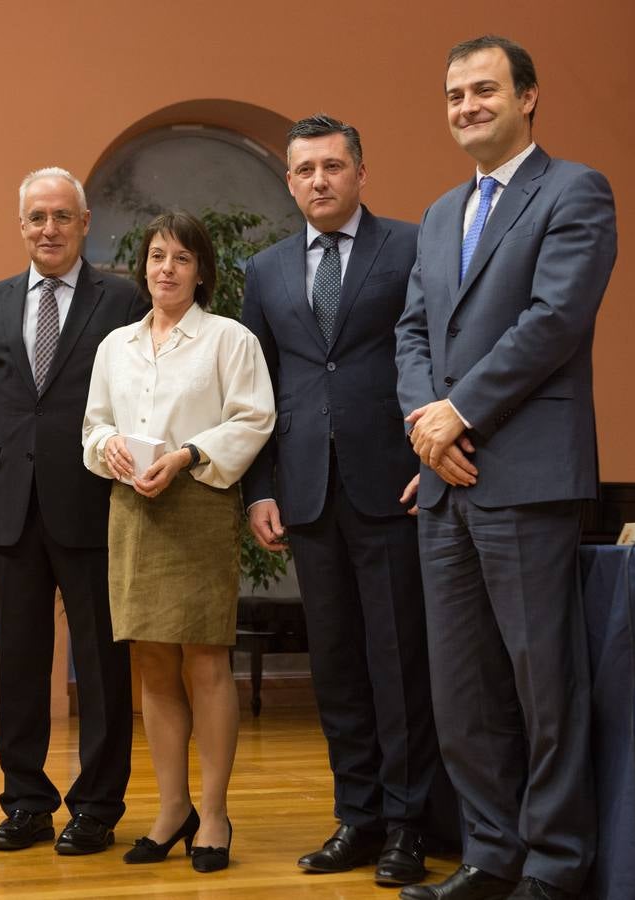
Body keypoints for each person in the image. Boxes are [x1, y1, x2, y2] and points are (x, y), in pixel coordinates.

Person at [396, 36, 617, 900]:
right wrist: (427, 425)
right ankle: (491, 856)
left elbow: (553, 318)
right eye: (453, 95)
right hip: (444, 482)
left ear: (528, 97)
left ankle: (557, 868)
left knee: (542, 691)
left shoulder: (574, 191)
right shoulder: (441, 211)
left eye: (483, 90)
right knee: (463, 692)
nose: (465, 106)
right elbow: (412, 334)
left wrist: (461, 411)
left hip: (525, 477)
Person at [241, 114, 441, 887]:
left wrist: (434, 450)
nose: (318, 180)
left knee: (397, 664)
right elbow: (256, 388)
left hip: (393, 484)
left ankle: (406, 825)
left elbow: (437, 350)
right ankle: (354, 818)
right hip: (305, 495)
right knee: (335, 668)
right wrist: (259, 489)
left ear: (360, 171)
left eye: (331, 166)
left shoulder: (410, 244)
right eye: (304, 170)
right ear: (289, 182)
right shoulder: (265, 270)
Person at [0, 167, 147, 855]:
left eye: (62, 216)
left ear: (84, 223)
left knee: (100, 666)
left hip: (93, 506)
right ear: (21, 226)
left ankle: (97, 805)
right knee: (21, 665)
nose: (49, 229)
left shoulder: (122, 299)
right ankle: (25, 802)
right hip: (7, 511)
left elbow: (140, 398)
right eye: (37, 217)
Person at [82, 211, 275, 873]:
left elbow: (253, 420)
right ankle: (171, 808)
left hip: (197, 502)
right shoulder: (116, 346)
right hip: (131, 507)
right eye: (157, 256)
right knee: (153, 667)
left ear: (201, 272)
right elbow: (93, 426)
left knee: (205, 663)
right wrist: (105, 447)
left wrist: (189, 454)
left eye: (181, 259)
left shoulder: (229, 339)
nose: (165, 268)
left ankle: (214, 813)